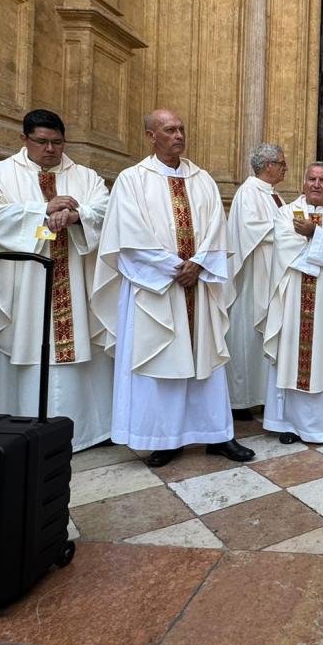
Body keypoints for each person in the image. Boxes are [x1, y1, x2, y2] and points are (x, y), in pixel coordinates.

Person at [93, 109, 253, 468]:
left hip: (199, 284)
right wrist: (174, 268)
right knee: (161, 359)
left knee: (206, 361)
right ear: (151, 136)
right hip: (156, 289)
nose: (179, 135)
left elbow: (217, 227)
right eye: (169, 130)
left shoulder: (202, 179)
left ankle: (217, 434)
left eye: (181, 129)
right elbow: (129, 235)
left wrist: (199, 264)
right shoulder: (132, 180)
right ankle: (164, 439)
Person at [0, 109, 113, 450]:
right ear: (24, 139)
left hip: (76, 280)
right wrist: (42, 210)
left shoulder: (86, 176)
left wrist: (77, 216)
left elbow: (106, 210)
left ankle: (89, 431)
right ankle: (25, 430)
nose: (50, 149)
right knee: (29, 346)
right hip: (25, 286)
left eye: (57, 142)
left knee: (81, 348)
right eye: (42, 142)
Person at [261, 162, 323, 444]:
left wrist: (314, 235)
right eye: (312, 179)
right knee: (293, 356)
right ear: (303, 182)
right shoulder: (286, 213)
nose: (317, 184)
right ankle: (290, 424)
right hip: (295, 300)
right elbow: (286, 249)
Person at [225, 142, 287, 418]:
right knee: (247, 334)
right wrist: (289, 230)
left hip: (273, 272)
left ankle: (263, 395)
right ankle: (240, 400)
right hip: (254, 275)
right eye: (282, 164)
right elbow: (251, 229)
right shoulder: (248, 192)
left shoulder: (274, 194)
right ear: (268, 166)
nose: (286, 168)